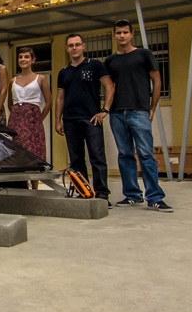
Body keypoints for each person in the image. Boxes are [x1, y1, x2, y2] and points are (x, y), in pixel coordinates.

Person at [104, 19, 173, 212]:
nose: (122, 35)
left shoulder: (144, 54)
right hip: (117, 113)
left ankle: (155, 197)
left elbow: (157, 81)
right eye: (119, 33)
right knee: (125, 154)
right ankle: (132, 195)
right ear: (114, 35)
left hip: (139, 111)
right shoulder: (110, 61)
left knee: (145, 154)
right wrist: (106, 108)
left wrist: (152, 107)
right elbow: (109, 87)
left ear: (131, 34)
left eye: (125, 32)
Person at [55, 33, 114, 205]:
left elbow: (109, 86)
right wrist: (58, 120)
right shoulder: (63, 72)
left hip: (91, 119)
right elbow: (60, 98)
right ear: (67, 49)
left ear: (83, 46)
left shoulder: (94, 65)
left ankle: (102, 195)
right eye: (71, 45)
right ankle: (83, 192)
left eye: (77, 44)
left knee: (97, 157)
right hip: (70, 120)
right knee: (76, 160)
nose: (74, 48)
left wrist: (105, 110)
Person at [7, 47, 52, 187]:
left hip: (33, 118)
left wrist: (39, 118)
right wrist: (17, 115)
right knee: (18, 149)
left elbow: (49, 102)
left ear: (33, 60)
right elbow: (9, 103)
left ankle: (35, 186)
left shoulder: (40, 79)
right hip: (17, 118)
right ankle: (21, 184)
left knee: (33, 150)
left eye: (26, 57)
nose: (23, 59)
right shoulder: (13, 80)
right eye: (20, 57)